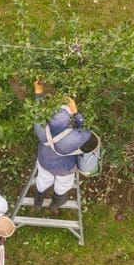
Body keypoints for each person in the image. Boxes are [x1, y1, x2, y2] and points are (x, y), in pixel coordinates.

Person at [32, 80, 92, 213]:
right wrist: (76, 112)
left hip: (45, 162)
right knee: (63, 185)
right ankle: (56, 203)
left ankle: (38, 200)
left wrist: (38, 91)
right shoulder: (74, 137)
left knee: (42, 180)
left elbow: (37, 112)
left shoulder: (41, 127)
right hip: (65, 168)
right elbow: (88, 131)